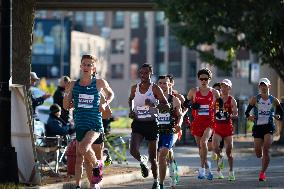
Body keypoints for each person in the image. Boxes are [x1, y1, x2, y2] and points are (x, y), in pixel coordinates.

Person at [63, 54, 114, 189]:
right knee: (85, 159)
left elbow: (111, 94)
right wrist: (67, 93)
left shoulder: (99, 83)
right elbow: (66, 106)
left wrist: (105, 104)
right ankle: (93, 184)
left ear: (94, 68)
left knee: (83, 148)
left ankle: (98, 165)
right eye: (84, 64)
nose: (86, 67)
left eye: (89, 65)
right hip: (80, 125)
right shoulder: (74, 84)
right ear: (80, 66)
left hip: (95, 125)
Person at [128, 63, 169, 189]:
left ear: (150, 73)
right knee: (133, 150)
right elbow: (130, 99)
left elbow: (166, 106)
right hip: (138, 123)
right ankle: (142, 160)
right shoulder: (134, 88)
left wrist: (153, 105)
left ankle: (156, 181)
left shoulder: (155, 88)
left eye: (146, 73)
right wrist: (131, 111)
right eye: (141, 73)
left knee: (153, 157)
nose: (143, 75)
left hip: (152, 124)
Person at [185, 68, 222, 180]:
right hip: (197, 122)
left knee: (203, 141)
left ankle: (201, 170)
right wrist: (192, 106)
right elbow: (185, 104)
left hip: (210, 122)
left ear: (209, 79)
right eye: (201, 78)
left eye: (206, 79)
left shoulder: (214, 92)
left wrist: (218, 112)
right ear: (198, 79)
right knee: (200, 148)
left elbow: (220, 103)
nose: (203, 81)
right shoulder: (193, 91)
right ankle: (208, 166)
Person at [245, 78, 283, 181]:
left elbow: (281, 113)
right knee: (258, 153)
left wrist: (277, 116)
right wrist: (250, 117)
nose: (263, 87)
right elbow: (247, 113)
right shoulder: (255, 99)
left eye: (265, 85)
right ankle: (261, 155)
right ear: (259, 87)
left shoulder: (274, 100)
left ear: (269, 86)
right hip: (257, 127)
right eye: (261, 85)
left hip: (269, 127)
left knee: (266, 148)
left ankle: (262, 173)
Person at [157, 75, 182, 189]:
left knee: (163, 153)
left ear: (169, 84)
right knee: (163, 156)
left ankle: (161, 184)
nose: (162, 85)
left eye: (164, 83)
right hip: (157, 132)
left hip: (169, 131)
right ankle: (172, 168)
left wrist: (178, 125)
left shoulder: (174, 99)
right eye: (160, 83)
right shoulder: (154, 98)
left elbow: (179, 115)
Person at [212, 79, 238, 181]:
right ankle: (219, 165)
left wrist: (230, 115)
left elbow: (236, 113)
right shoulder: (217, 100)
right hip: (218, 127)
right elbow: (211, 110)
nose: (223, 88)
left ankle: (231, 171)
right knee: (215, 148)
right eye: (222, 86)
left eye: (225, 86)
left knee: (229, 152)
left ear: (229, 88)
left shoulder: (232, 100)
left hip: (227, 128)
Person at [166, 74, 188, 188]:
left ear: (171, 83)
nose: (165, 84)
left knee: (168, 148)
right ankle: (173, 166)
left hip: (175, 128)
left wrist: (179, 119)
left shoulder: (178, 97)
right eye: (163, 82)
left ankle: (172, 176)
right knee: (165, 153)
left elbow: (184, 111)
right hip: (161, 128)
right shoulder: (158, 96)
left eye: (168, 82)